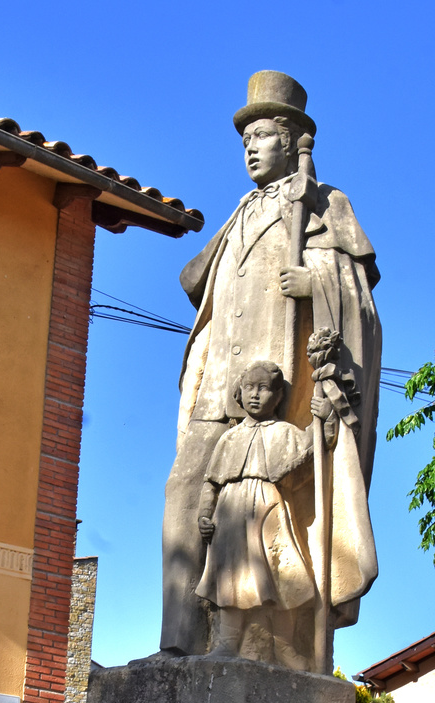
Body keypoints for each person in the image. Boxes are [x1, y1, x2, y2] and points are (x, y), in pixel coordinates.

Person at [161, 71, 381, 662]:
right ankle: (179, 641)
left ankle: (269, 645)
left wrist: (320, 281)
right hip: (217, 388)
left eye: (261, 135)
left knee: (272, 510)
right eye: (244, 140)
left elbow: (361, 304)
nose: (250, 148)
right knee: (186, 489)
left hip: (278, 386)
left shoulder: (323, 204)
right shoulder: (239, 212)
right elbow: (194, 283)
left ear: (291, 140)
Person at [195, 361, 335, 670]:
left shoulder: (285, 432)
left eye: (264, 388)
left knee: (281, 574)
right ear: (239, 393)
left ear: (278, 394)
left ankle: (283, 644)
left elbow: (315, 448)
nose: (255, 395)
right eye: (249, 388)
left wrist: (323, 419)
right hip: (230, 513)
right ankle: (227, 643)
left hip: (271, 506)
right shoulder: (228, 439)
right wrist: (205, 516)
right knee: (230, 578)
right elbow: (212, 483)